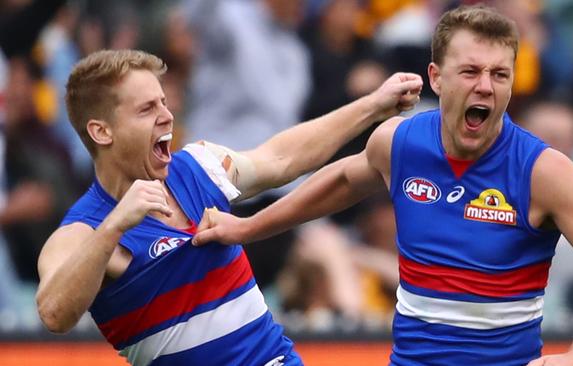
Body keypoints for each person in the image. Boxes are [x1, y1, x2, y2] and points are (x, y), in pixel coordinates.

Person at [193, 5, 573, 365]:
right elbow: (342, 179)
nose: (486, 87)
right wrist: (246, 229)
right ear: (436, 77)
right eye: (470, 72)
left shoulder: (542, 171)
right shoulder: (400, 142)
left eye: (499, 74)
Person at [34, 49, 422, 365]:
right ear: (102, 131)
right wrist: (113, 227)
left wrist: (373, 106)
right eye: (146, 109)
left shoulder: (197, 168)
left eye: (165, 102)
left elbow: (283, 158)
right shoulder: (84, 230)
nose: (167, 116)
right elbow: (53, 313)